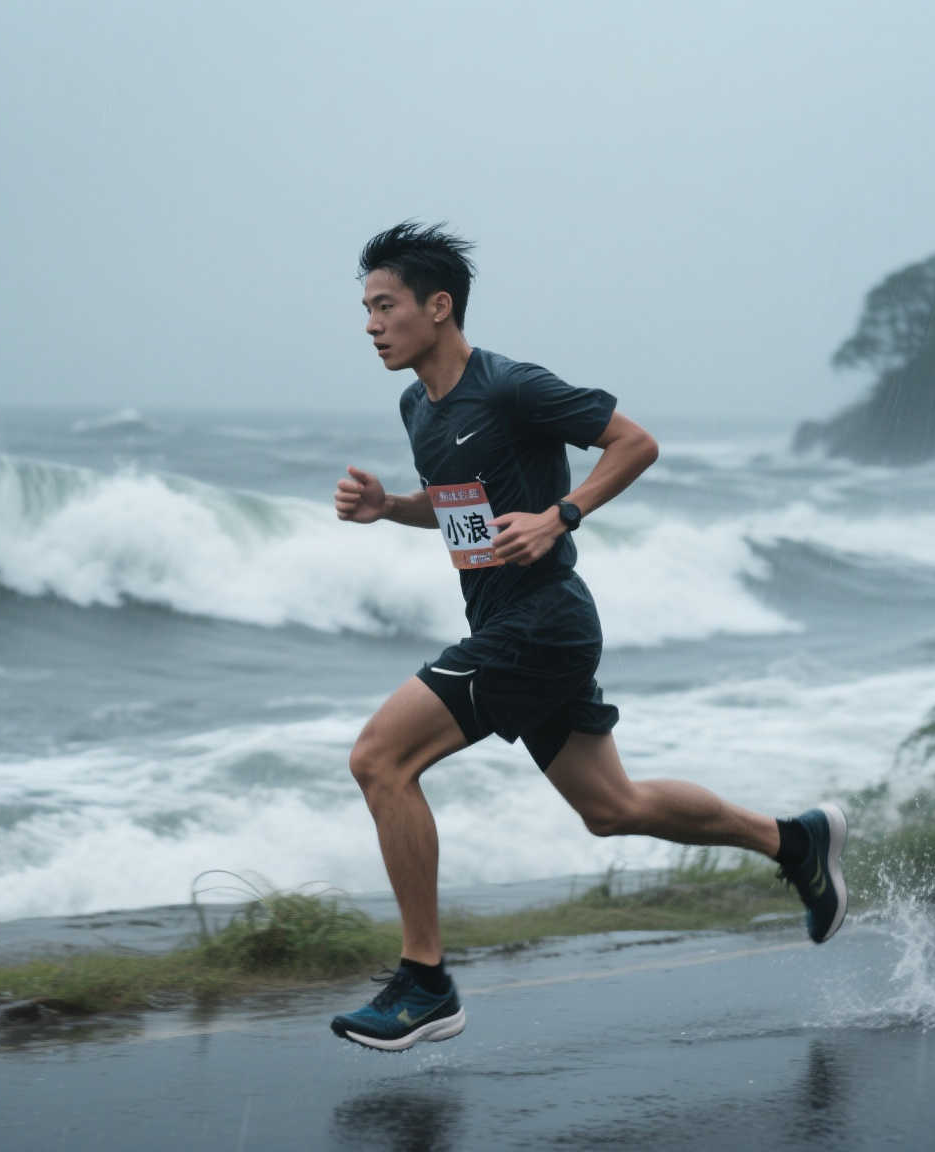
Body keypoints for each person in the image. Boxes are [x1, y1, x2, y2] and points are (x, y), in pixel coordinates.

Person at [327, 222, 848, 1052]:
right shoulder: (417, 407)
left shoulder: (511, 386)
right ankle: (793, 840)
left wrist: (562, 514)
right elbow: (464, 510)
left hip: (544, 623)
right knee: (613, 808)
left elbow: (634, 443)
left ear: (439, 306)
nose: (371, 324)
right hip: (515, 624)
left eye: (385, 306)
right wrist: (391, 507)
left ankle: (425, 983)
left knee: (379, 760)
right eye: (366, 309)